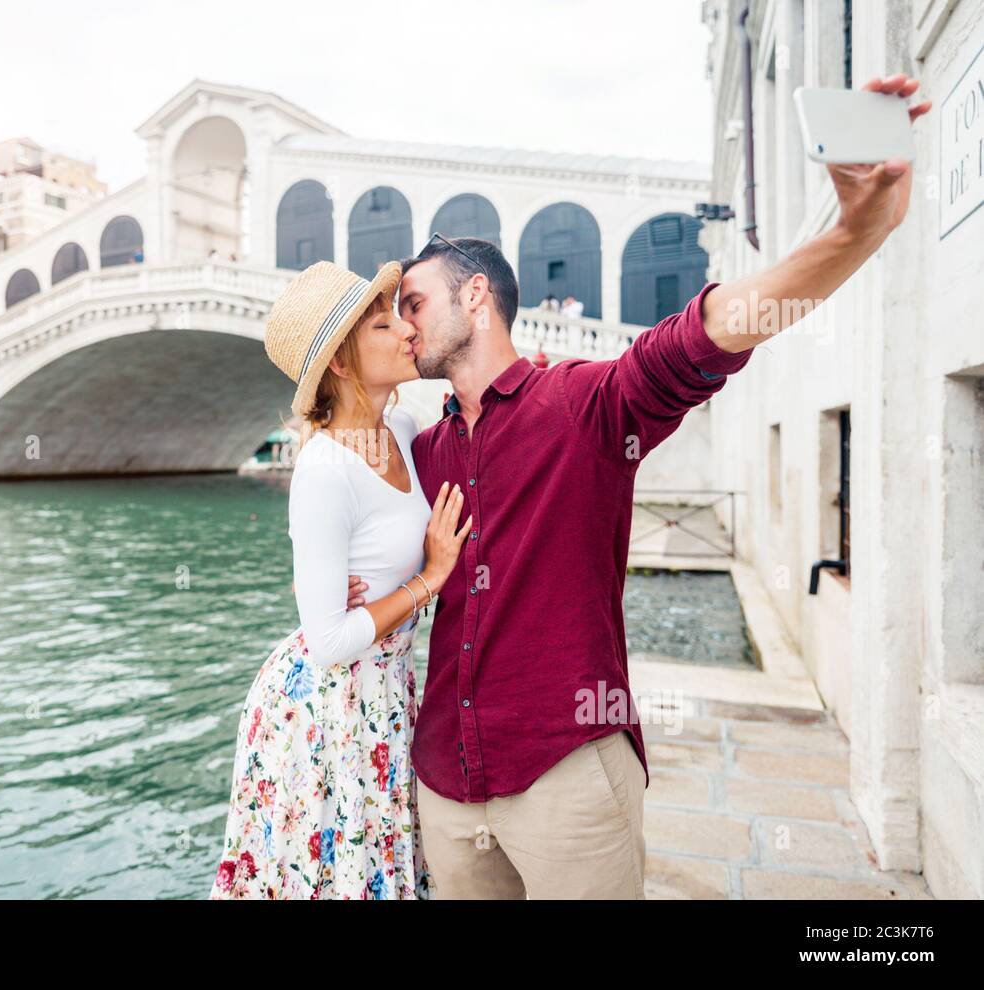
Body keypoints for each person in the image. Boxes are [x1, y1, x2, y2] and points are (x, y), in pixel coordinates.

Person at [343, 74, 930, 899]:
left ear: (476, 298)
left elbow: (709, 331)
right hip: (442, 780)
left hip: (567, 780)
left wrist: (857, 229)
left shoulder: (585, 404)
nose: (402, 323)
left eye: (413, 301)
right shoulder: (421, 448)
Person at [210, 260, 473, 900]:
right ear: (342, 363)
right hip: (325, 710)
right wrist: (427, 580)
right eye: (385, 324)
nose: (408, 331)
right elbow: (326, 639)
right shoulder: (324, 467)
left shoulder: (404, 431)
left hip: (385, 695)